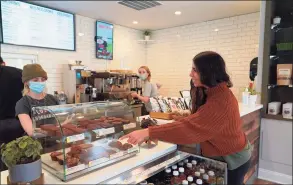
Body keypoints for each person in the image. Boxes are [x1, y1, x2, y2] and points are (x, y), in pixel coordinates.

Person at [121, 51, 252, 185]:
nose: (190, 74)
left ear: (207, 72)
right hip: (232, 154)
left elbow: (189, 128)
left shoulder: (220, 101)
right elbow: (199, 119)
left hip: (232, 160)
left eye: (194, 70)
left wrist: (148, 132)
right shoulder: (216, 92)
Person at [15, 64, 59, 136]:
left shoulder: (52, 99)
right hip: (36, 143)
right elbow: (31, 132)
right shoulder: (22, 103)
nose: (40, 82)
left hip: (55, 141)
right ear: (26, 83)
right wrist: (53, 131)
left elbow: (59, 122)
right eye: (35, 80)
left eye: (43, 79)